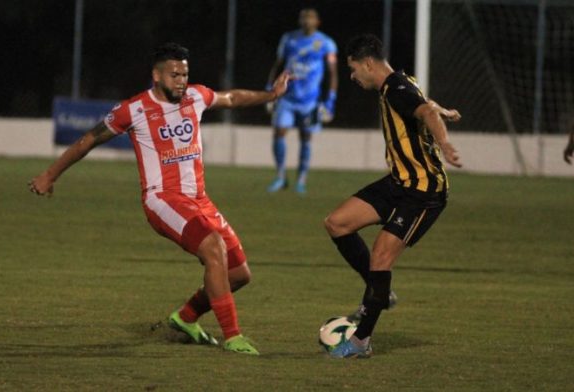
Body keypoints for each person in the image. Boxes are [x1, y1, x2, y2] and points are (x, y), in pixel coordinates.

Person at [28, 43, 290, 356]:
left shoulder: (195, 96)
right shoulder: (134, 109)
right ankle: (233, 337)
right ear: (156, 75)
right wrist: (50, 175)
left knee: (238, 274)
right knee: (212, 248)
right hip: (163, 200)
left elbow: (231, 98)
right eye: (174, 74)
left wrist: (271, 95)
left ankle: (185, 318)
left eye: (185, 74)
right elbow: (88, 140)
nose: (181, 80)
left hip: (198, 199)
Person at [323, 34, 462, 358]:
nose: (353, 76)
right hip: (398, 182)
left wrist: (443, 141)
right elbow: (424, 105)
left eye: (354, 69)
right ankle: (378, 292)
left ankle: (360, 342)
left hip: (423, 192)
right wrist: (443, 111)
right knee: (337, 223)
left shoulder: (396, 88)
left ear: (368, 63)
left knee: (381, 256)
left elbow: (425, 110)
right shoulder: (400, 84)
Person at [266, 8, 338, 194]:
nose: (307, 20)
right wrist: (269, 91)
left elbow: (332, 73)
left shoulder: (326, 43)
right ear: (299, 21)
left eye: (310, 17)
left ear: (317, 21)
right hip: (287, 97)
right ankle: (281, 176)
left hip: (310, 101)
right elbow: (278, 64)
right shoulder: (289, 39)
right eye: (304, 17)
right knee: (279, 133)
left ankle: (301, 180)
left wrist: (330, 100)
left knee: (306, 137)